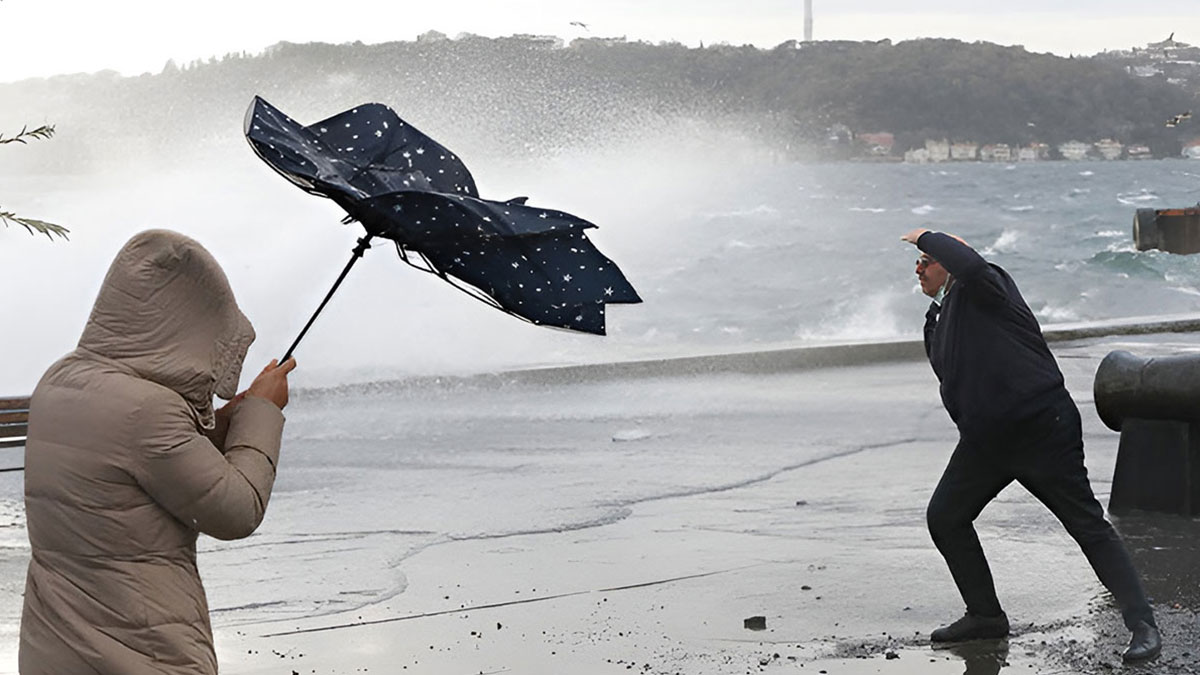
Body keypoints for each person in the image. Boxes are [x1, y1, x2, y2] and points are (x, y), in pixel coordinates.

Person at [19, 229, 296, 674]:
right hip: (142, 646)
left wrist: (228, 419)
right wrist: (263, 411)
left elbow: (138, 467)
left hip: (56, 645)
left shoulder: (61, 379)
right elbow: (236, 511)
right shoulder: (149, 409)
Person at [902, 227, 1160, 663]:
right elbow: (954, 378)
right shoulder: (938, 318)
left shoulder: (987, 284)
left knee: (1087, 526)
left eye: (927, 259)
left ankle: (1143, 625)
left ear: (952, 259)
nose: (918, 267)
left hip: (1042, 428)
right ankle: (984, 615)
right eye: (919, 261)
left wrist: (928, 235)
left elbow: (970, 263)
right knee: (945, 516)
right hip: (986, 442)